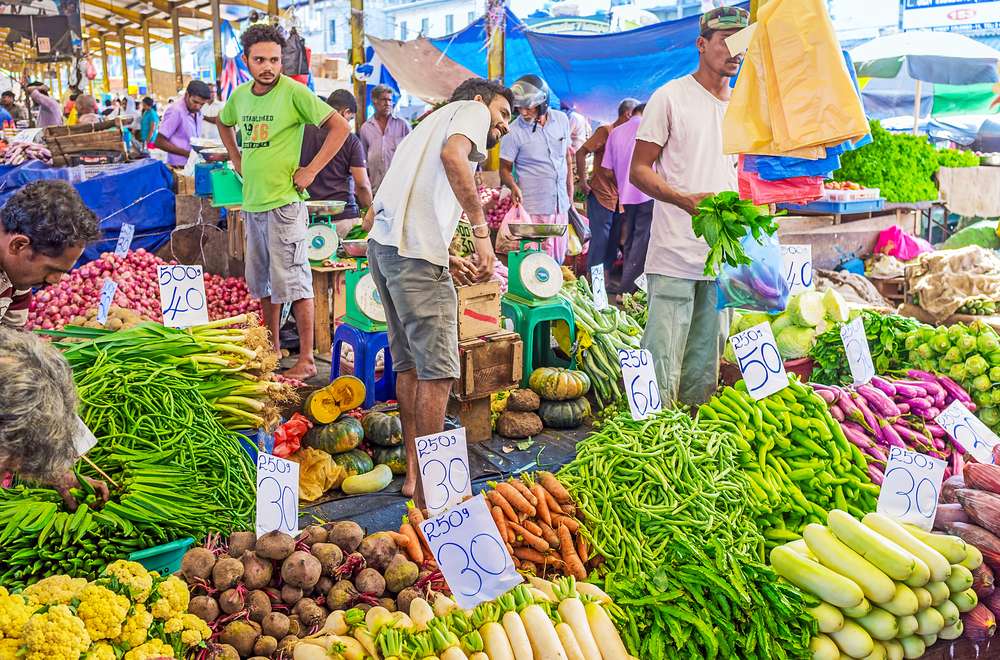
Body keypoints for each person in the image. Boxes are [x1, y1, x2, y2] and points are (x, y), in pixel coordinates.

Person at [362, 77, 510, 502]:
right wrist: (481, 232)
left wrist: (441, 253)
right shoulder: (471, 111)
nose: (503, 126)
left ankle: (416, 478)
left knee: (410, 367)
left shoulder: (423, 127)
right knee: (440, 372)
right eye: (502, 114)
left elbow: (382, 211)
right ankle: (434, 496)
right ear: (480, 100)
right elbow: (453, 157)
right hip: (413, 259)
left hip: (386, 251)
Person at [218, 24, 352, 381]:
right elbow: (223, 122)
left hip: (284, 206)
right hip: (253, 206)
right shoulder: (240, 96)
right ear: (246, 60)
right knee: (263, 284)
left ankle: (306, 359)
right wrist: (235, 156)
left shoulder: (294, 92)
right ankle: (274, 348)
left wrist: (311, 170)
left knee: (295, 283)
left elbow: (340, 127)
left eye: (274, 60)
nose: (268, 67)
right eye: (260, 60)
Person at [630, 6, 747, 406]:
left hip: (722, 257)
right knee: (661, 360)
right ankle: (651, 433)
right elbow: (638, 171)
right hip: (674, 254)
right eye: (725, 41)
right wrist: (683, 200)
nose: (735, 51)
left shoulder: (742, 107)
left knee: (704, 368)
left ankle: (691, 437)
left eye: (742, 43)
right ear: (701, 44)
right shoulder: (671, 97)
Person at [0, 180, 109, 509]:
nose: (56, 281)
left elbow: (15, 354)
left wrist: (56, 465)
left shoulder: (17, 276)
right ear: (19, 245)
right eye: (52, 270)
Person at [499, 75, 573, 264]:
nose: (523, 112)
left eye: (529, 107)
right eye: (520, 107)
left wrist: (570, 195)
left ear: (543, 103)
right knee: (536, 264)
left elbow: (566, 157)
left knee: (558, 260)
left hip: (560, 206)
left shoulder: (562, 120)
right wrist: (513, 186)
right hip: (534, 209)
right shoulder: (512, 132)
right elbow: (504, 169)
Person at [575, 98, 637, 281]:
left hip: (620, 199)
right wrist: (583, 181)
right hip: (601, 195)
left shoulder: (629, 136)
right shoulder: (606, 131)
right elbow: (581, 152)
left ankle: (605, 279)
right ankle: (593, 281)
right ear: (628, 114)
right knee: (600, 240)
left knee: (613, 240)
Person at [299, 89, 373, 236]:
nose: (349, 124)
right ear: (345, 112)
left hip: (305, 218)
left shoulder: (301, 133)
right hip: (342, 219)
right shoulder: (350, 140)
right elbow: (362, 185)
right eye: (350, 119)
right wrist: (368, 211)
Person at [602, 102, 652, 294]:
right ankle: (628, 289)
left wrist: (623, 182)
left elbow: (607, 170)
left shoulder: (615, 132)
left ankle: (626, 286)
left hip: (626, 196)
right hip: (648, 193)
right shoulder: (649, 127)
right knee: (641, 241)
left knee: (629, 239)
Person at [359, 84, 411, 193]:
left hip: (398, 185)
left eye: (390, 100)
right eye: (384, 100)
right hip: (376, 186)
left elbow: (411, 152)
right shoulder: (366, 128)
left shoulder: (403, 125)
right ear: (374, 101)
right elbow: (363, 158)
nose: (387, 103)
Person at [155, 80, 213, 167]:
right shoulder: (176, 111)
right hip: (178, 166)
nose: (198, 107)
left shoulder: (197, 111)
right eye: (195, 102)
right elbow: (159, 142)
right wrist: (188, 154)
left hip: (193, 164)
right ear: (187, 95)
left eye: (202, 104)